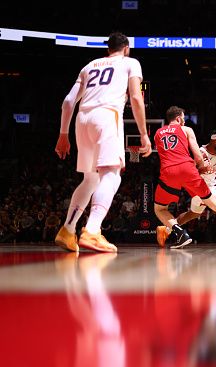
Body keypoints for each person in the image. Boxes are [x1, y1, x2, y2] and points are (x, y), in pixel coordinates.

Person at [54, 32, 151, 253]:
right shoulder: (130, 62)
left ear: (108, 49)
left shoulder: (89, 65)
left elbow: (69, 102)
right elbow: (136, 97)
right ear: (126, 48)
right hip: (106, 116)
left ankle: (68, 230)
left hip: (82, 119)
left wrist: (62, 134)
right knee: (111, 174)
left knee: (90, 179)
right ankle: (92, 230)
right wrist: (143, 134)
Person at [153, 106, 216, 249]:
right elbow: (197, 157)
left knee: (181, 212)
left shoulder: (158, 132)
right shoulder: (191, 136)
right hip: (193, 176)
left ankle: (169, 230)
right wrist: (200, 166)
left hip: (169, 171)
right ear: (179, 118)